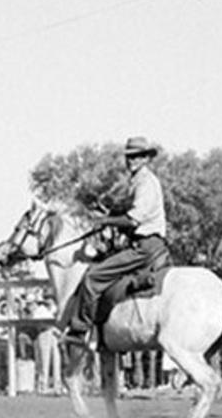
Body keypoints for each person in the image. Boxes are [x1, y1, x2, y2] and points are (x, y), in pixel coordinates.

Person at [59, 136, 170, 342]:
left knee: (93, 276)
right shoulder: (138, 181)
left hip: (145, 248)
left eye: (137, 156)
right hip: (146, 244)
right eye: (129, 157)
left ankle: (79, 330)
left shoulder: (146, 182)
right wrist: (110, 213)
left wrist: (106, 221)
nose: (131, 161)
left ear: (146, 158)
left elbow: (133, 219)